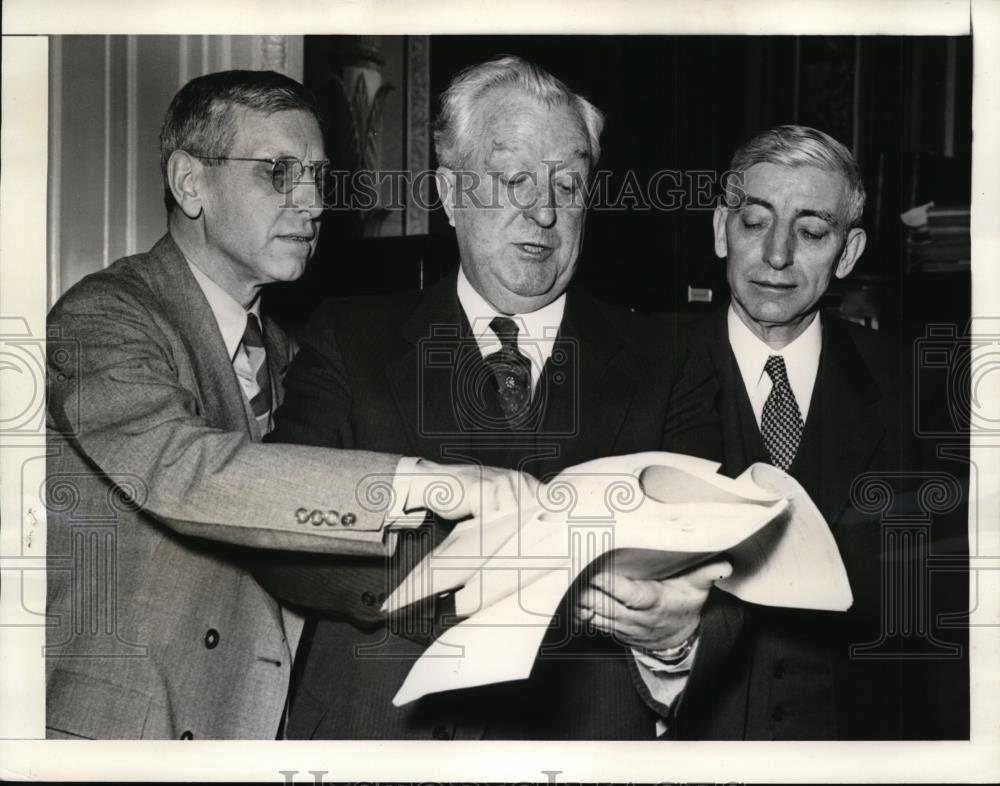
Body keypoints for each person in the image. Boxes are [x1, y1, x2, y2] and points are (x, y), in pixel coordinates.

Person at [253, 55, 728, 740]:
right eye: (514, 181)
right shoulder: (348, 336)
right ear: (450, 193)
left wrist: (682, 633)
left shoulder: (670, 359)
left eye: (568, 182)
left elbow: (724, 565)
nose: (545, 211)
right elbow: (282, 521)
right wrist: (520, 582)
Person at [45, 69, 529, 741]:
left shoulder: (295, 354)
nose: (312, 202)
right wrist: (426, 482)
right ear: (191, 183)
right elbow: (182, 469)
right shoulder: (103, 318)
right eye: (277, 172)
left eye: (317, 176)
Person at [670, 124, 968, 739]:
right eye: (755, 222)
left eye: (810, 232)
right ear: (722, 231)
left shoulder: (919, 388)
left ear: (849, 252)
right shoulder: (652, 373)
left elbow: (948, 618)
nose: (777, 255)